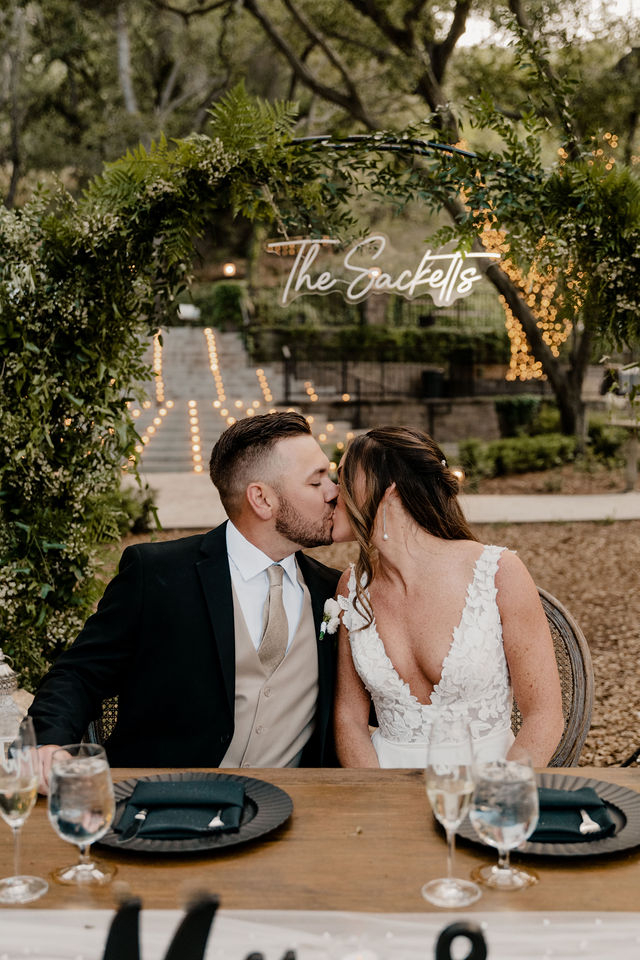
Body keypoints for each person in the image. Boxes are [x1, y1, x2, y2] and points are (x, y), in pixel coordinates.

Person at [31, 412, 341, 792]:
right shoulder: (156, 574)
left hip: (290, 812)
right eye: (317, 480)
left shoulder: (334, 591)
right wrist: (50, 745)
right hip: (160, 806)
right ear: (262, 499)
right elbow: (78, 675)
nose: (334, 491)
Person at [331, 426, 564, 768]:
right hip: (382, 790)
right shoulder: (351, 588)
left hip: (493, 787)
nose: (334, 493)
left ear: (391, 494)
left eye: (346, 479)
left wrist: (498, 802)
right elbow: (349, 718)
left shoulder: (499, 572)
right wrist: (375, 800)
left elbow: (544, 715)